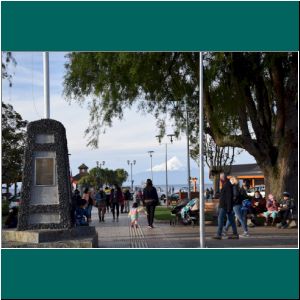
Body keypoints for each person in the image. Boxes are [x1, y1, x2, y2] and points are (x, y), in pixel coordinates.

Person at [213, 172, 239, 240]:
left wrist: (228, 208)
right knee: (231, 220)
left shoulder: (227, 185)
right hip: (227, 206)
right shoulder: (228, 184)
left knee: (220, 219)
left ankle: (219, 234)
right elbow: (228, 196)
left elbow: (228, 197)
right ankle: (235, 234)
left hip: (224, 206)